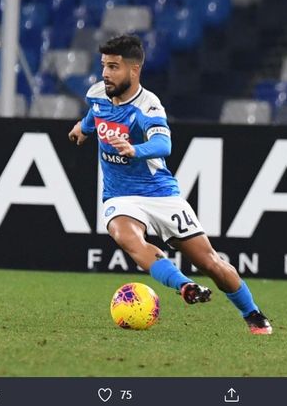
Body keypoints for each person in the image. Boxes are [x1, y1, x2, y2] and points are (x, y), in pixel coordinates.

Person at [68, 35, 272, 335]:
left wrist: (134, 149)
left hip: (161, 195)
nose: (106, 74)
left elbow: (163, 144)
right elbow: (95, 116)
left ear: (134, 70)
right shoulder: (98, 94)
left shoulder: (148, 106)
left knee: (210, 262)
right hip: (121, 196)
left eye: (113, 67)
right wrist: (82, 129)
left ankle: (253, 314)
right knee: (127, 237)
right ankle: (184, 285)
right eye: (104, 66)